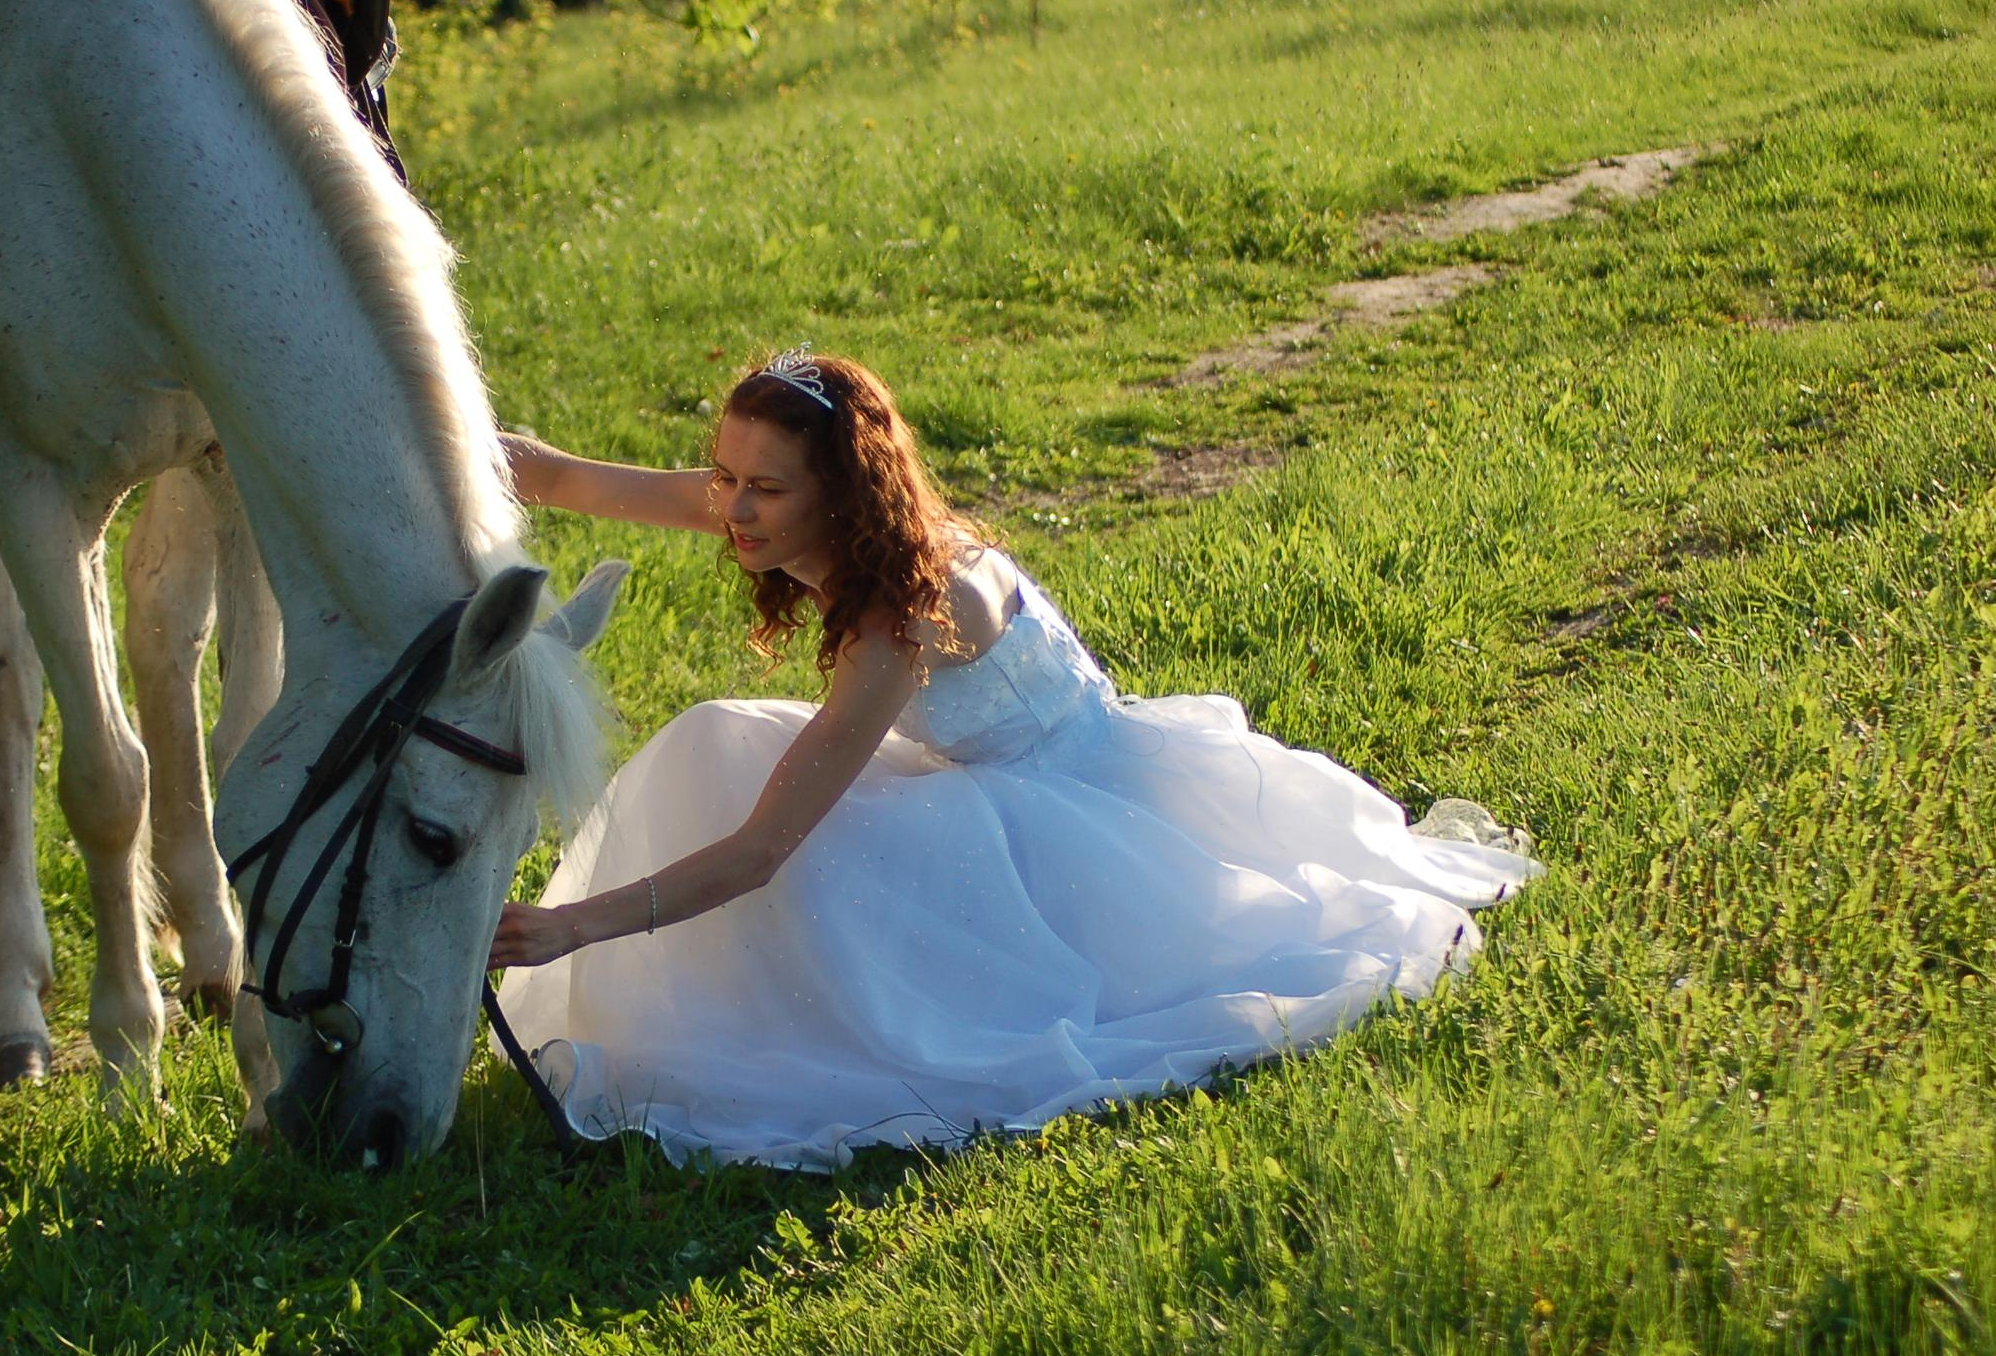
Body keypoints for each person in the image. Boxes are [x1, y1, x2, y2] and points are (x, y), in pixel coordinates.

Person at [490, 347, 1539, 1171]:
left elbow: (763, 849)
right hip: (972, 777)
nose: (732, 507)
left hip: (1068, 826)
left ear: (842, 492)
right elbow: (563, 475)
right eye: (723, 476)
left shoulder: (900, 614)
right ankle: (727, 1001)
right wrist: (444, 442)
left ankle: (766, 1018)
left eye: (763, 487)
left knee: (779, 821)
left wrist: (571, 925)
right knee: (713, 738)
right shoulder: (783, 509)